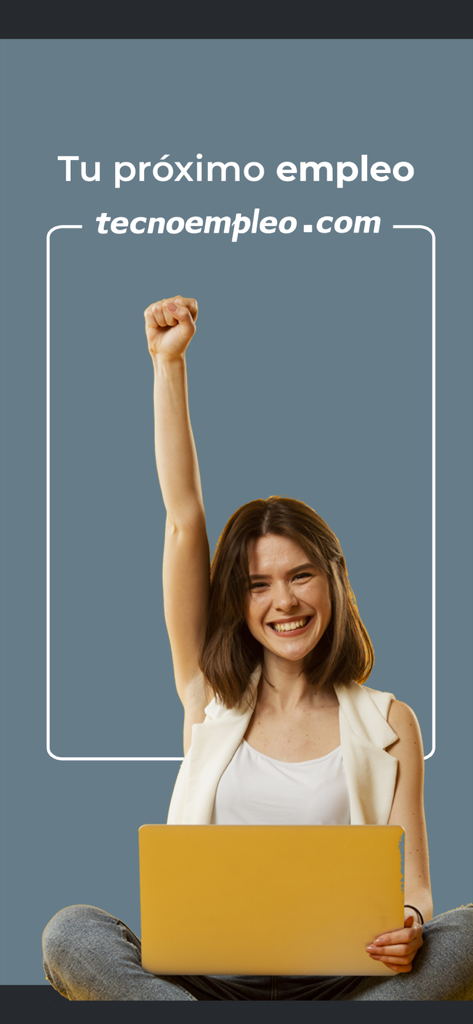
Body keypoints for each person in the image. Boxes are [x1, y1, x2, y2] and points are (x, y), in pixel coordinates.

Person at [42, 295, 473, 1001]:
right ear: (236, 603)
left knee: (466, 932)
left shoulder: (389, 722)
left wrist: (408, 921)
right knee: (70, 932)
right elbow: (184, 522)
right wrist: (166, 364)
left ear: (332, 582)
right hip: (209, 978)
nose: (284, 602)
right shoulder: (206, 699)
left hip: (341, 980)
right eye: (258, 585)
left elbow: (416, 886)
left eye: (301, 575)